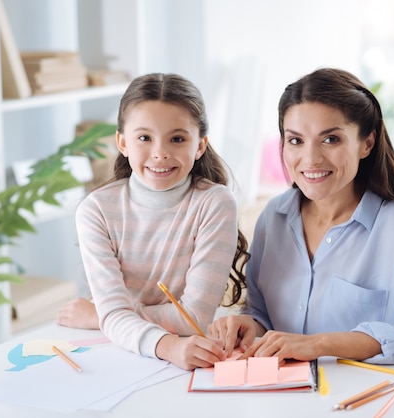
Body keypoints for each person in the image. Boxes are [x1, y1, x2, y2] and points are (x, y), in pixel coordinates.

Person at [208, 68, 394, 365]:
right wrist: (248, 325)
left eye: (331, 140)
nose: (311, 158)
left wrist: (320, 345)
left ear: (367, 143)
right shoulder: (273, 217)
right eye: (296, 140)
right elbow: (261, 313)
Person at [56, 72, 249, 370]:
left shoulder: (215, 203)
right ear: (122, 142)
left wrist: (103, 317)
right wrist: (165, 344)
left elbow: (194, 319)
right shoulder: (96, 210)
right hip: (114, 356)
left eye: (177, 138)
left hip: (168, 352)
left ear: (199, 145)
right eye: (144, 138)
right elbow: (135, 319)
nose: (160, 153)